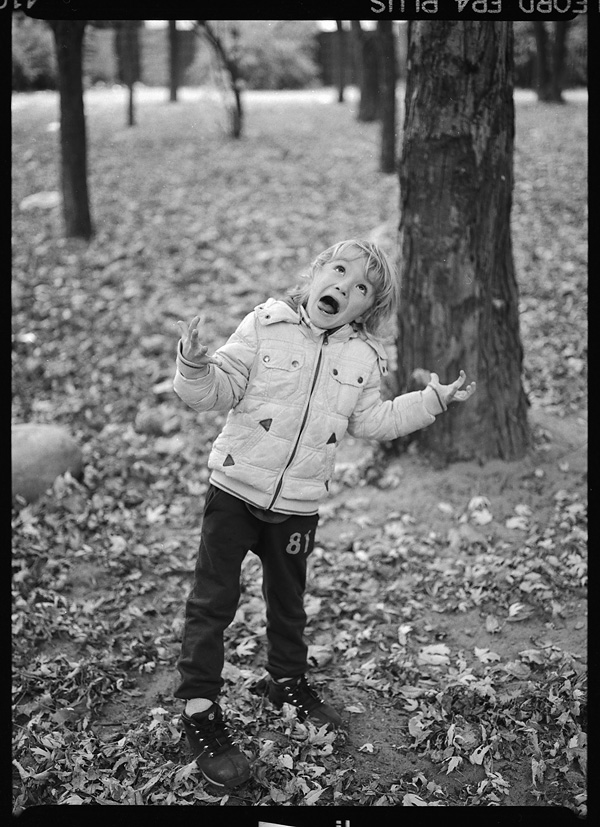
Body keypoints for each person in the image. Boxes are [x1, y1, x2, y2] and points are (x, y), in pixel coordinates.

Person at [172, 239, 476, 789]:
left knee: (288, 602)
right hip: (235, 491)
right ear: (316, 274)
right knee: (212, 601)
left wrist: (429, 402)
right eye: (338, 271)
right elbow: (217, 390)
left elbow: (372, 420)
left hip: (298, 505)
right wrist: (194, 365)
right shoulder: (264, 325)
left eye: (361, 288)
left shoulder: (363, 357)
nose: (344, 287)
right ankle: (199, 707)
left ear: (367, 308)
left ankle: (286, 682)